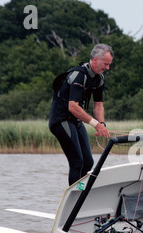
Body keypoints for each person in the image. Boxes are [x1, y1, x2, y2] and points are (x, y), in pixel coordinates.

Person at [49, 44, 112, 186]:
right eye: (105, 64)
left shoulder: (99, 79)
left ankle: (80, 192)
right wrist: (96, 125)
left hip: (75, 121)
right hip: (61, 121)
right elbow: (73, 107)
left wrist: (101, 124)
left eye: (109, 65)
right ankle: (74, 198)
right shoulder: (79, 75)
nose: (108, 68)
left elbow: (98, 105)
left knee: (88, 162)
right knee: (77, 161)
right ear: (95, 59)